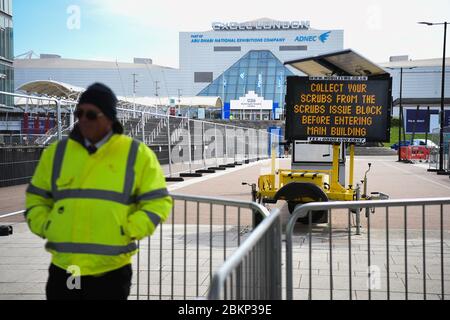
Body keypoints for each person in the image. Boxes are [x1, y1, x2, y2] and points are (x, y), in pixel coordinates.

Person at [25, 83, 172, 300]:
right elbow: (36, 198)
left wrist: (129, 229)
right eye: (79, 113)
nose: (83, 119)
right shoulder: (57, 153)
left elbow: (158, 201)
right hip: (68, 268)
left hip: (111, 270)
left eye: (91, 114)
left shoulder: (136, 153)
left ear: (109, 118)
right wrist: (47, 225)